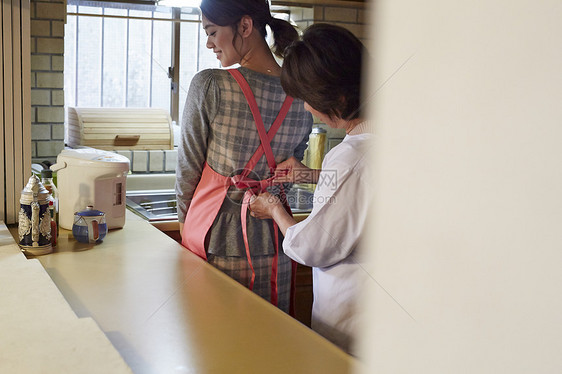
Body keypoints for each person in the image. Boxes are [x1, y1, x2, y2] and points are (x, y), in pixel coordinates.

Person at [175, 0, 313, 314]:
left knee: (213, 348)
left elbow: (188, 170)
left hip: (213, 243)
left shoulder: (210, 85)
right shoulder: (302, 99)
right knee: (267, 346)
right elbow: (286, 179)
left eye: (212, 32)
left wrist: (186, 224)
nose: (209, 43)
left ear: (245, 27)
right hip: (276, 246)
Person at [249, 24, 372, 355]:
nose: (305, 108)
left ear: (340, 98)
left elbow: (313, 248)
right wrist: (314, 174)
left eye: (308, 99)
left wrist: (274, 209)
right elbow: (366, 190)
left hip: (351, 325)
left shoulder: (348, 156)